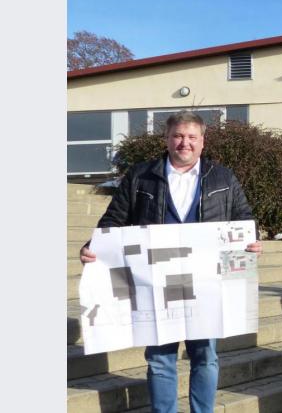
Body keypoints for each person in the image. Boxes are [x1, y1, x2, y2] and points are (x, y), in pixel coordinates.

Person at [79, 111, 262, 413]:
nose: (184, 143)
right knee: (160, 358)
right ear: (166, 139)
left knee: (205, 356)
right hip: (155, 282)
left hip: (206, 282)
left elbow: (243, 220)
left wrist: (251, 244)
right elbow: (113, 221)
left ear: (203, 142)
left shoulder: (223, 176)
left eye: (192, 137)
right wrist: (91, 247)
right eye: (178, 136)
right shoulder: (140, 175)